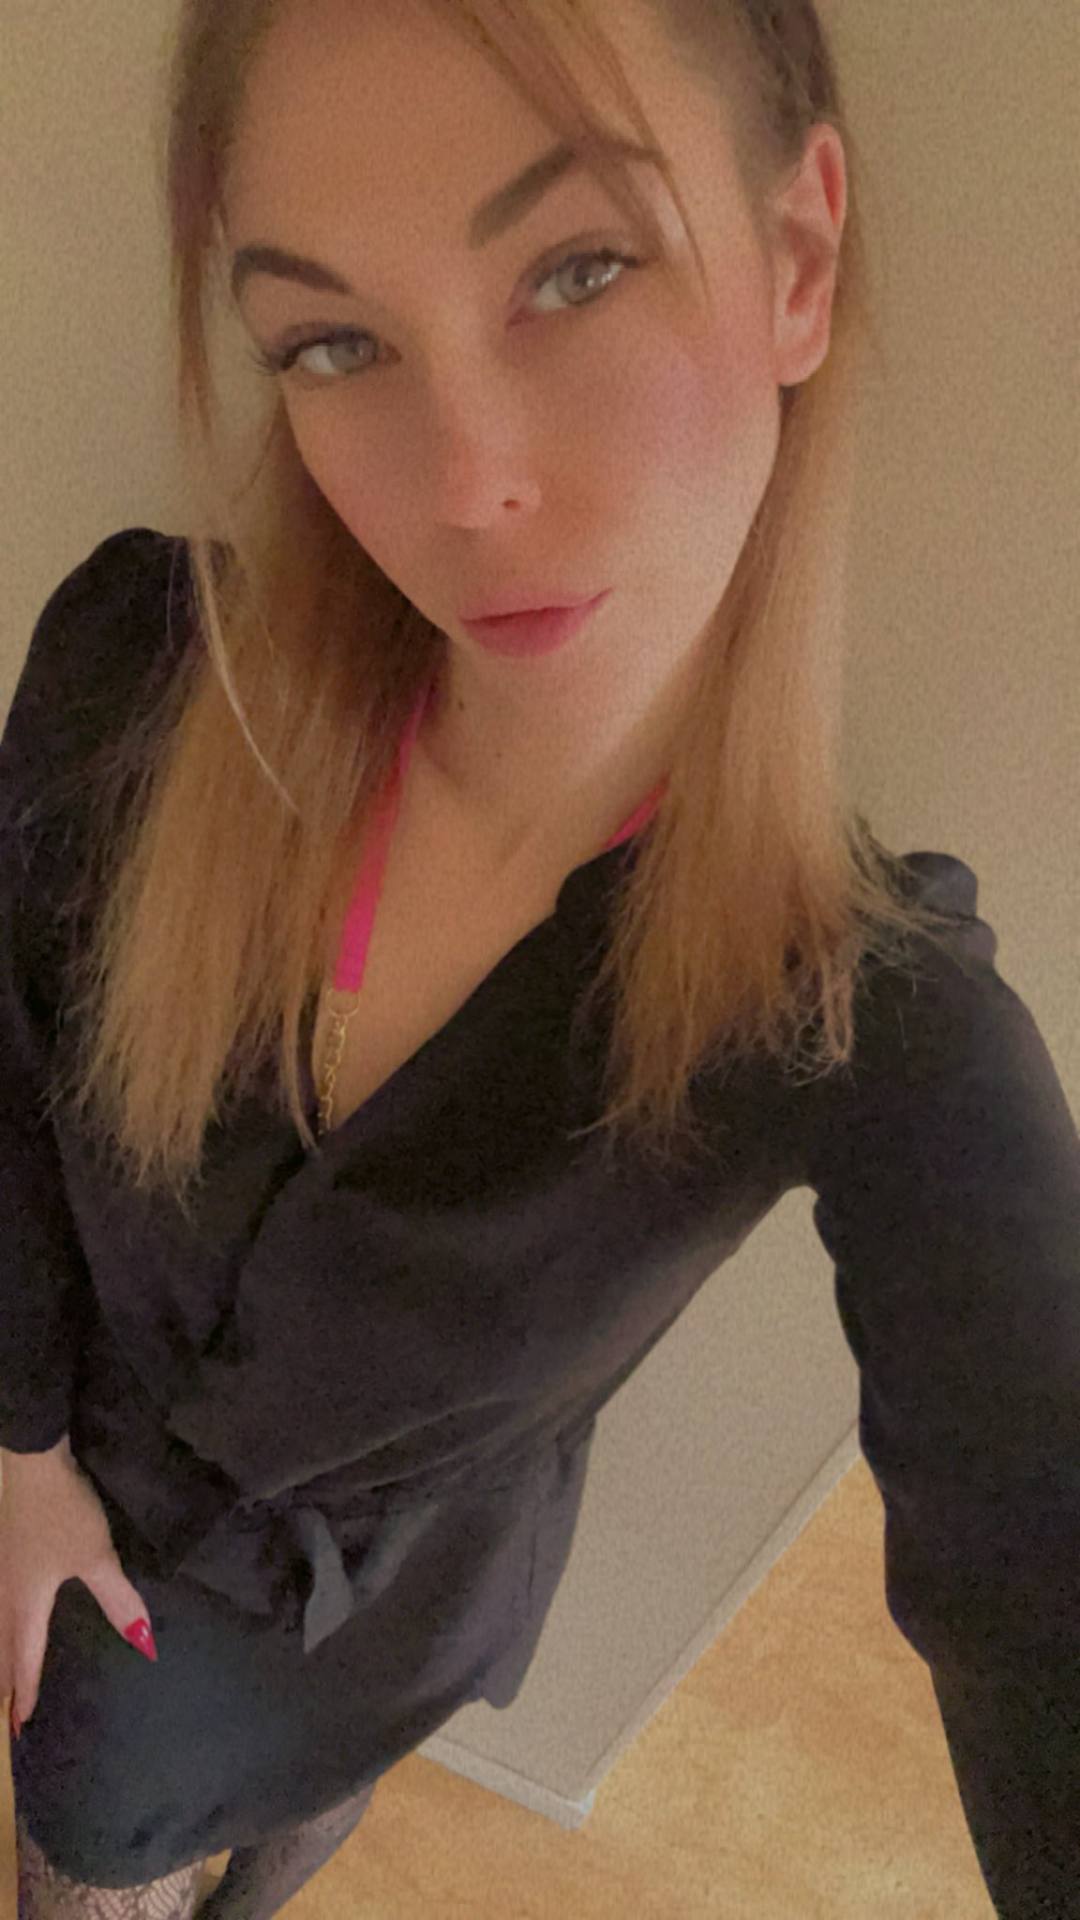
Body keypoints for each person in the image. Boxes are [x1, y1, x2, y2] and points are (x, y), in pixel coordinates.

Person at [3, 3, 1078, 1916]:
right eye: (335, 341)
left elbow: (1035, 1540)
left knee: (274, 1823)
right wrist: (13, 1453)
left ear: (797, 261)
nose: (467, 483)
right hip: (91, 1597)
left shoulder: (865, 1019)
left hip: (385, 1640)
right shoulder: (142, 672)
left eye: (577, 270)